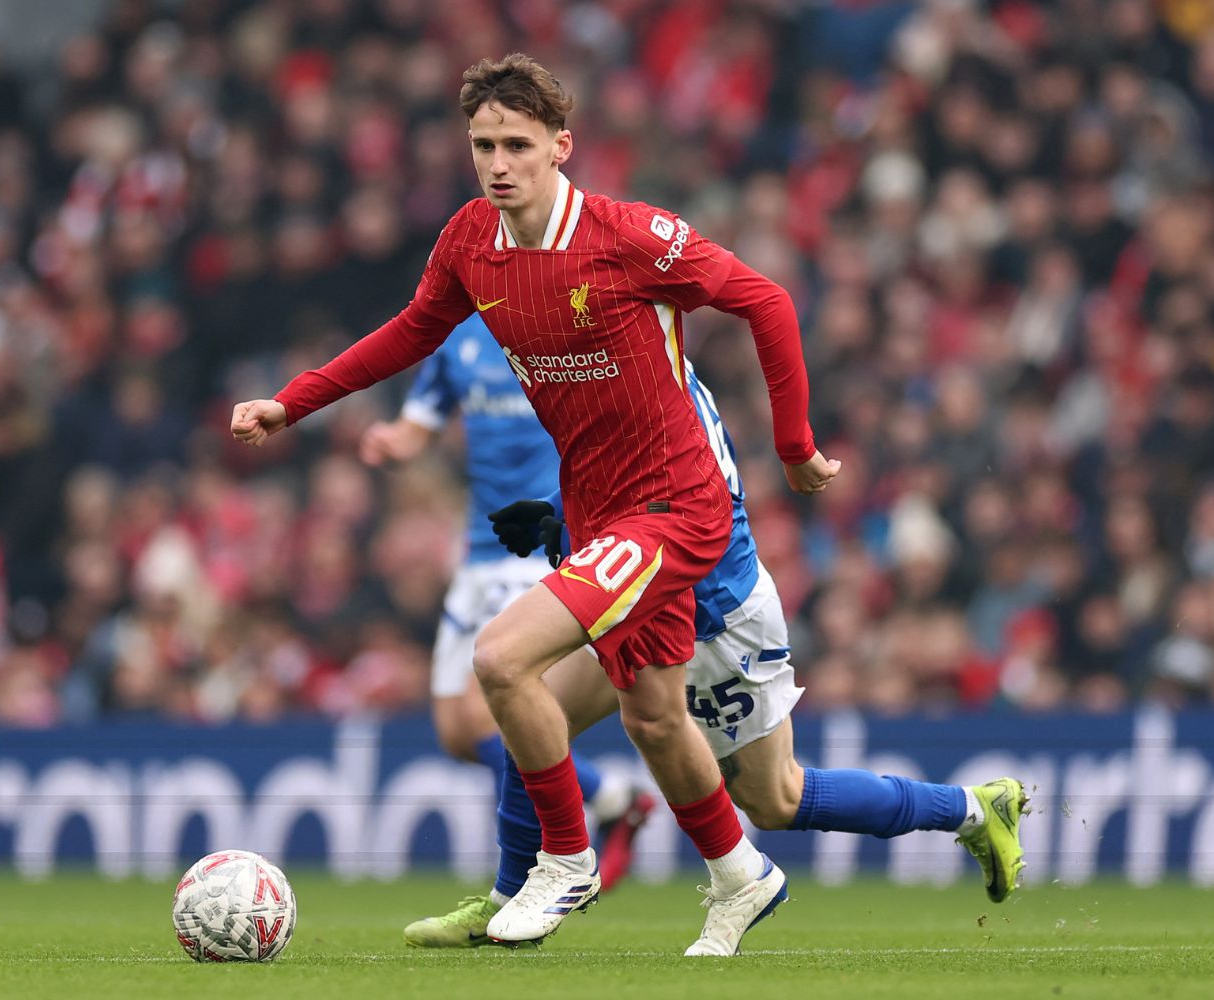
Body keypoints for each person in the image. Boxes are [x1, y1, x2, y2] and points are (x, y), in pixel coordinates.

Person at [234, 52, 835, 955]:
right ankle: (741, 876)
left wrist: (795, 450)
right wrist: (295, 401)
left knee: (504, 661)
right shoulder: (470, 242)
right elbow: (409, 334)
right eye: (483, 144)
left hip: (676, 506)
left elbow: (767, 300)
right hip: (596, 510)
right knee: (654, 718)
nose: (498, 162)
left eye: (517, 143)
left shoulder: (631, 237)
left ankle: (566, 860)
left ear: (562, 146)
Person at [404, 363, 1028, 950]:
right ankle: (512, 893)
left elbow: (671, 512)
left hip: (715, 613)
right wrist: (562, 513)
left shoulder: (653, 385)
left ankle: (972, 809)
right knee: (529, 703)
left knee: (775, 798)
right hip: (644, 594)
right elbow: (625, 487)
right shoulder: (636, 369)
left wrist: (568, 532)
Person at [357, 313, 655, 917]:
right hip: (477, 555)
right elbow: (420, 426)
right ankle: (613, 797)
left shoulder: (565, 332)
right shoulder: (455, 344)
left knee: (487, 713)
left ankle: (529, 876)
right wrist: (393, 440)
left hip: (542, 542)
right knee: (456, 732)